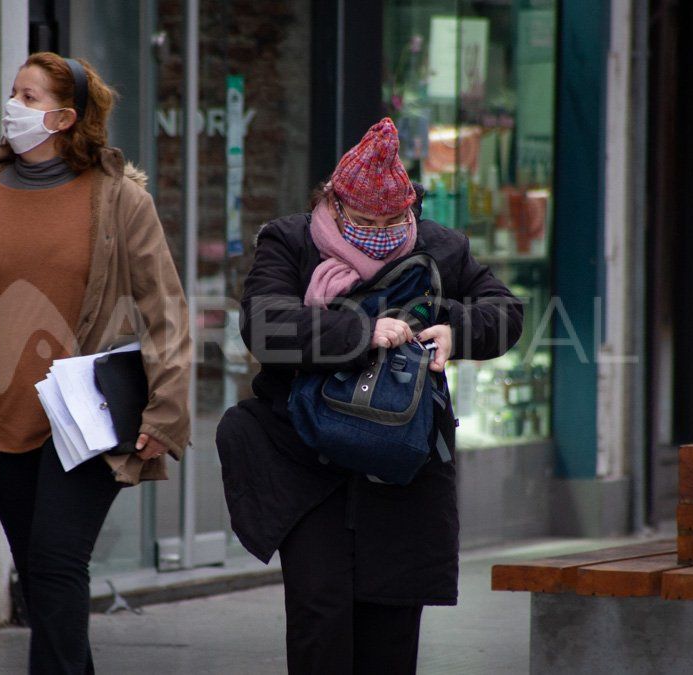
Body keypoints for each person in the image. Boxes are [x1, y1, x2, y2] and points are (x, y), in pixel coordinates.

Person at [0, 52, 190, 674]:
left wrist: (165, 412)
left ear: (65, 117)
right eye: (14, 93)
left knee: (58, 564)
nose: (14, 107)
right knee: (40, 573)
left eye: (29, 98)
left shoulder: (118, 202)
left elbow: (166, 312)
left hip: (82, 422)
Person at [217, 118, 523, 673]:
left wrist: (455, 325)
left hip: (401, 466)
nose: (379, 232)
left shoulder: (441, 248)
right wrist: (359, 333)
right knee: (320, 620)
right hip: (308, 463)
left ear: (411, 209)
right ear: (332, 204)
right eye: (362, 220)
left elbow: (506, 312)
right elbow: (263, 325)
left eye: (392, 220)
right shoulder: (289, 240)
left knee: (391, 630)